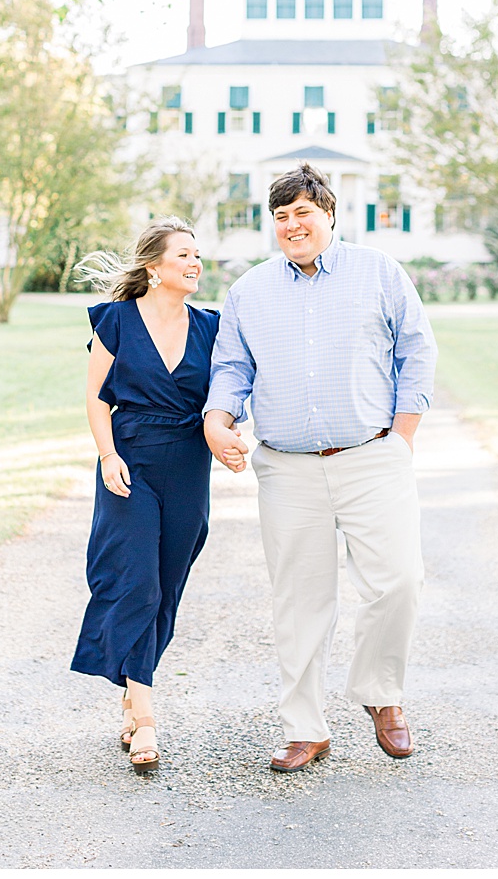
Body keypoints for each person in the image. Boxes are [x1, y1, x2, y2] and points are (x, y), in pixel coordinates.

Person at [203, 162, 436, 772]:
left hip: (372, 456)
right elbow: (231, 367)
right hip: (288, 468)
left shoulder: (379, 271)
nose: (290, 225)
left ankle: (381, 696)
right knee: (299, 600)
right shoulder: (249, 290)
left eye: (302, 212)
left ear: (329, 214)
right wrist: (217, 418)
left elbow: (417, 350)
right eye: (279, 217)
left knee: (399, 581)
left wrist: (403, 437)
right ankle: (305, 727)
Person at [71, 218, 219, 774]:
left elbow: (230, 390)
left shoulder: (212, 326)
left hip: (187, 465)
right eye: (184, 254)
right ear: (154, 267)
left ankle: (132, 697)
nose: (195, 262)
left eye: (198, 255)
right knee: (136, 580)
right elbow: (94, 395)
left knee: (166, 588)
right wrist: (109, 455)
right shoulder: (117, 320)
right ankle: (148, 717)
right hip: (129, 460)